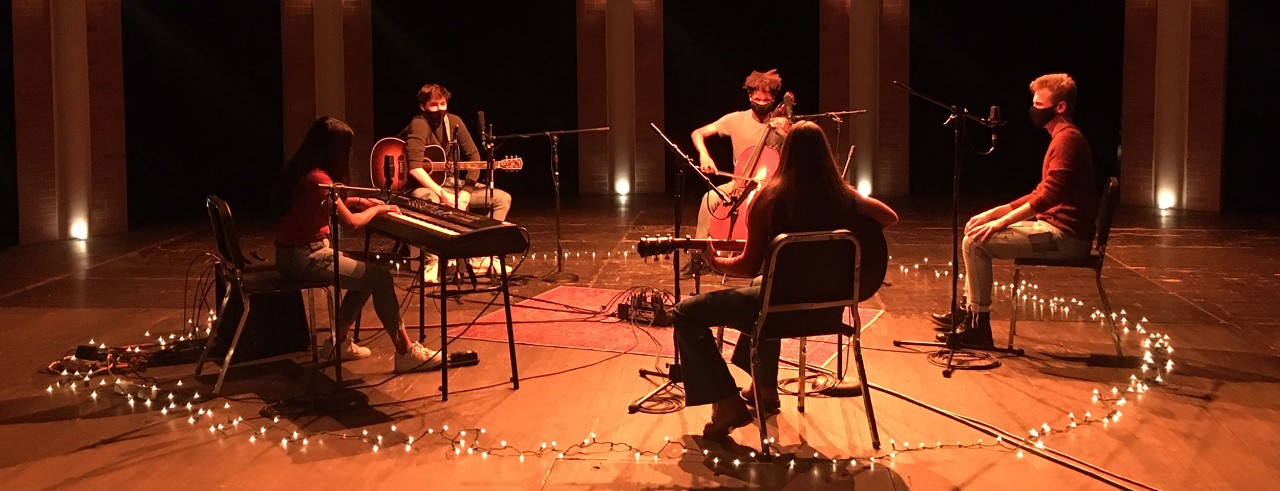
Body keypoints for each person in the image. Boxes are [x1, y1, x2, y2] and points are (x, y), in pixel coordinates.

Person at [672, 121, 898, 440]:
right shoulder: (844, 197)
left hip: (777, 314)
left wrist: (713, 260)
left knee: (686, 313)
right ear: (825, 157)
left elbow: (747, 266)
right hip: (830, 311)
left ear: (786, 155)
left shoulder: (768, 199)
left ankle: (726, 402)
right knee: (763, 285)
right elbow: (889, 217)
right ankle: (764, 390)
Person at [930, 73, 1100, 347]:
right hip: (1056, 231)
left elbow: (1048, 196)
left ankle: (978, 328)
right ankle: (968, 311)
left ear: (1060, 107)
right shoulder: (1061, 138)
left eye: (1039, 104)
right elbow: (1040, 192)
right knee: (977, 231)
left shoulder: (1068, 140)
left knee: (976, 244)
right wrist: (994, 213)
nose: (1033, 109)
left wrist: (1001, 222)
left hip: (1066, 239)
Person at [273, 116, 443, 373]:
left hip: (294, 255)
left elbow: (337, 204)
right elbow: (351, 223)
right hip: (304, 258)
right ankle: (405, 352)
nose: (350, 153)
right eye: (347, 147)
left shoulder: (305, 170)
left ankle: (338, 343)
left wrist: (363, 202)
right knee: (381, 279)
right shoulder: (318, 180)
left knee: (368, 275)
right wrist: (378, 210)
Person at [399, 83, 514, 279]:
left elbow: (474, 158)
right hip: (422, 186)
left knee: (502, 198)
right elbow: (415, 168)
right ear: (423, 106)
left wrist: (466, 192)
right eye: (434, 105)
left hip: (450, 182)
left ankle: (483, 255)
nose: (440, 109)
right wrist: (442, 193)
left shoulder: (454, 122)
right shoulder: (419, 123)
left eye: (443, 104)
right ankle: (432, 260)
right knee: (431, 200)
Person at [686, 69, 791, 277]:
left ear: (774, 100)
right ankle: (699, 258)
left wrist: (787, 132)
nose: (761, 103)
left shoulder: (781, 124)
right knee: (709, 198)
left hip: (770, 186)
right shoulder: (735, 119)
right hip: (738, 184)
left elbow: (799, 148)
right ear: (750, 97)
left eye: (766, 101)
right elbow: (698, 133)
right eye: (757, 99)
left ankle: (767, 257)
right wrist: (704, 155)